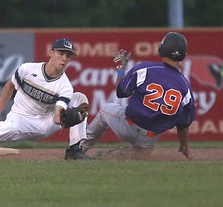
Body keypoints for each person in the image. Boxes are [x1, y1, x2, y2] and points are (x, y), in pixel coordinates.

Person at [0, 38, 92, 160]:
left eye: (68, 55)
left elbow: (55, 119)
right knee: (5, 128)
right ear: (51, 53)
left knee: (79, 98)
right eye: (61, 53)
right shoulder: (27, 69)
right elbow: (10, 86)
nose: (64, 59)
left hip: (46, 122)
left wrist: (64, 118)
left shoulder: (65, 86)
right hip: (21, 118)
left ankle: (74, 149)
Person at [80, 32, 195, 160]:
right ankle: (122, 156)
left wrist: (121, 68)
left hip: (127, 126)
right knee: (140, 155)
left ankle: (79, 148)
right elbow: (183, 125)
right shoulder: (186, 87)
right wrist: (184, 146)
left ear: (163, 48)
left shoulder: (145, 69)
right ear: (183, 55)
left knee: (105, 111)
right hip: (148, 139)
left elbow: (121, 92)